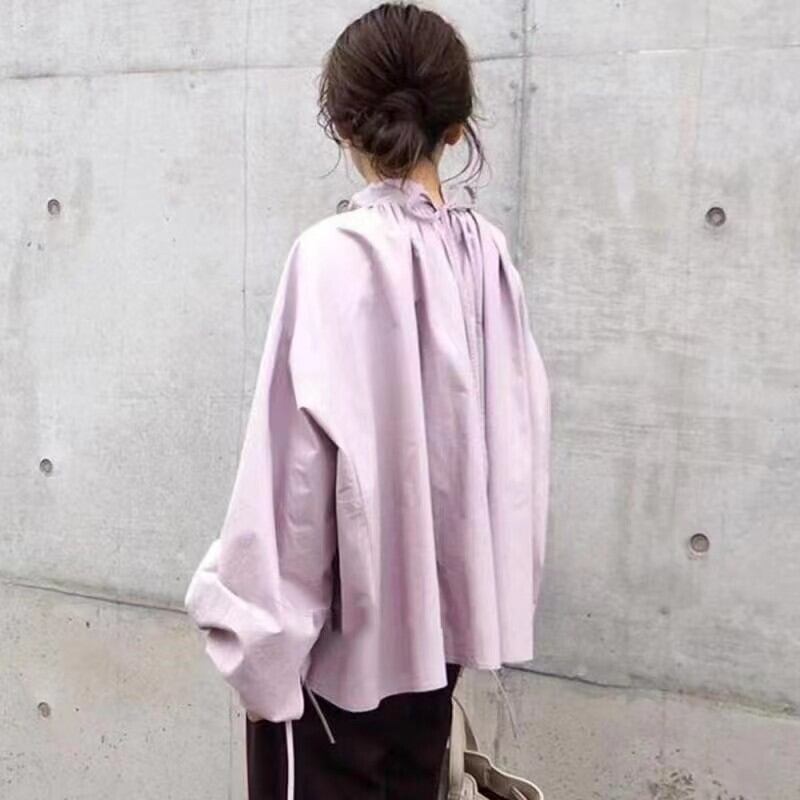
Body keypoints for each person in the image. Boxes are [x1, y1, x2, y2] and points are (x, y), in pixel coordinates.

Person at [183, 3, 551, 798]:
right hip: (437, 655)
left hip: (333, 673)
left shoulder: (334, 256)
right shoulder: (487, 258)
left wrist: (256, 646)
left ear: (343, 124)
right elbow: (518, 454)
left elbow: (293, 476)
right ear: (456, 129)